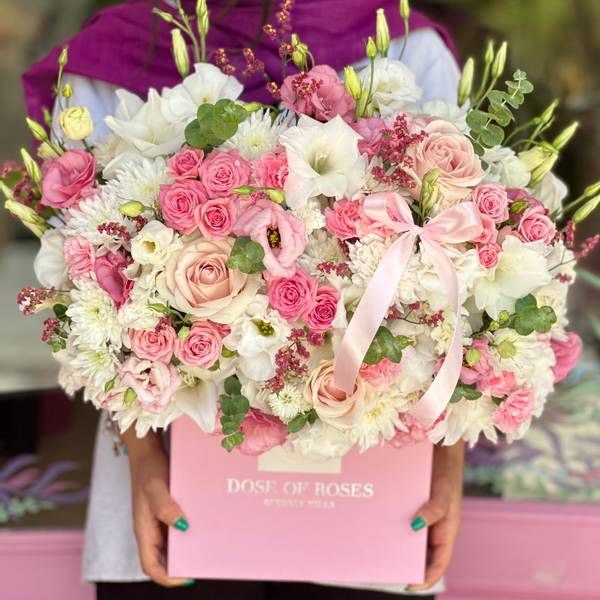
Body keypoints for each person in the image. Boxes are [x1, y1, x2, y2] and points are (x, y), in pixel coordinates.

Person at [23, 1, 465, 598]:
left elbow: (462, 272)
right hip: (170, 491)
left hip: (372, 496)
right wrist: (144, 459)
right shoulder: (113, 54)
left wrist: (447, 465)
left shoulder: (407, 48)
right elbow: (84, 275)